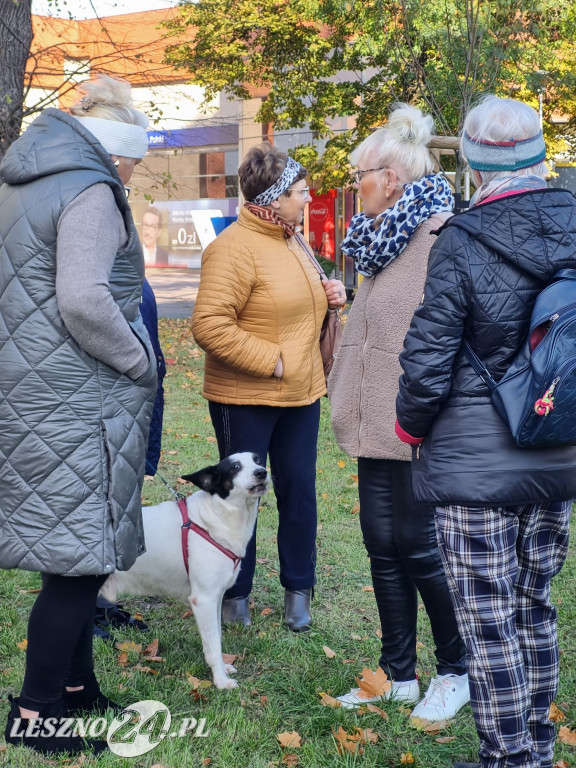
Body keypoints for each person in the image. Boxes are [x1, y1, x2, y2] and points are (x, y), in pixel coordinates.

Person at [395, 96, 576, 768]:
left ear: (474, 160)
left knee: (490, 621)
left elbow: (428, 357)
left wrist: (408, 425)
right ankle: (535, 744)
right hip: (557, 444)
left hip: (477, 463)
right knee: (536, 605)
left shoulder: (464, 239)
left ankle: (510, 758)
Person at [0, 74, 157, 754]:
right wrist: (140, 362)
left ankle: (75, 690)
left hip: (36, 396)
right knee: (81, 567)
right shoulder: (90, 190)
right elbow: (85, 302)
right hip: (80, 401)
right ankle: (38, 717)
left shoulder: (25, 181)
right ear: (114, 150)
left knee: (70, 555)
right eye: (133, 162)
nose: (131, 174)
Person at [328, 104, 469, 719]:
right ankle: (397, 672)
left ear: (393, 177)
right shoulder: (379, 238)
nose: (354, 185)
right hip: (371, 420)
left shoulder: (441, 233)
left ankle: (458, 668)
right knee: (379, 543)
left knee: (417, 545)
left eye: (360, 174)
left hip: (416, 421)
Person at [191, 142, 346, 631]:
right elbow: (209, 325)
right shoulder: (232, 249)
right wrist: (272, 361)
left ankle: (297, 591)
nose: (308, 200)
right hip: (246, 398)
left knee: (299, 492)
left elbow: (298, 307)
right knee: (242, 496)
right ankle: (235, 595)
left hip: (302, 396)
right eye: (301, 192)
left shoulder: (291, 240)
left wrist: (332, 296)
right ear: (274, 197)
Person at [93, 277, 166, 641]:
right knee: (95, 518)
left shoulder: (136, 278)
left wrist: (150, 448)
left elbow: (155, 360)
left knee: (119, 518)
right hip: (103, 416)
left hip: (135, 418)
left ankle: (105, 603)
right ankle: (86, 611)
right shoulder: (88, 274)